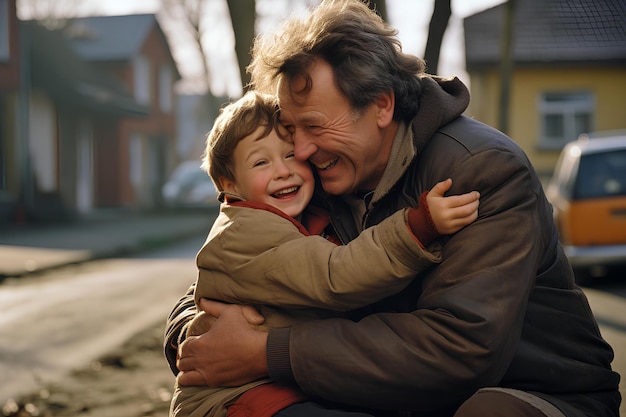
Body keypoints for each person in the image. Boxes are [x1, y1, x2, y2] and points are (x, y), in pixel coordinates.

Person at [167, 1, 622, 416]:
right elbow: (228, 272)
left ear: (381, 104)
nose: (299, 151)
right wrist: (199, 339)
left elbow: (459, 351)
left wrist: (263, 352)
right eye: (290, 130)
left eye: (313, 126)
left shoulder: (478, 171)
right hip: (374, 389)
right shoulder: (315, 175)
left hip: (528, 391)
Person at [170, 90, 480, 417]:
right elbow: (335, 275)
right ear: (228, 182)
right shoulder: (245, 233)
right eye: (261, 162)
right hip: (237, 401)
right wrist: (415, 228)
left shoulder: (298, 216)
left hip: (280, 389)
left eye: (291, 155)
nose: (282, 171)